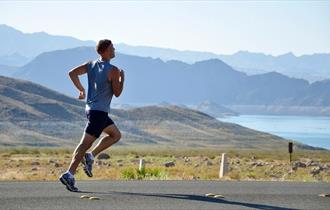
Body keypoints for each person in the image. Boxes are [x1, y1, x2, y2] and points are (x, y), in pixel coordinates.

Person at [59, 39, 125, 192]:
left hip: (92, 110)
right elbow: (117, 93)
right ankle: (69, 174)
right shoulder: (113, 70)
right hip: (99, 113)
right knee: (84, 144)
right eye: (112, 47)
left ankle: (90, 156)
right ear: (105, 51)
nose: (114, 49)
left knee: (115, 135)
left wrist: (81, 90)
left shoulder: (91, 65)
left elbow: (72, 73)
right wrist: (122, 80)